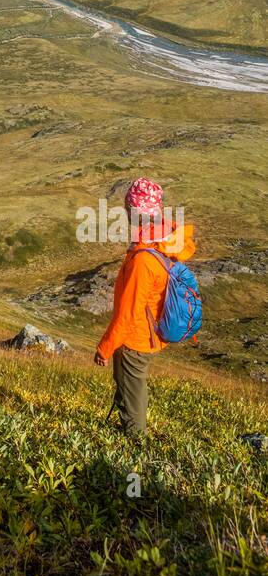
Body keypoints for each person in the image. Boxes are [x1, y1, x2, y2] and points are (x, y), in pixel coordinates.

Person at [93, 177, 195, 436]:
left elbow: (128, 314)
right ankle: (130, 434)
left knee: (132, 393)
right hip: (147, 335)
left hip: (135, 340)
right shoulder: (163, 243)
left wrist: (105, 349)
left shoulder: (142, 260)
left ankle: (134, 447)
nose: (126, 213)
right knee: (132, 388)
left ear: (136, 212)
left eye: (128, 209)